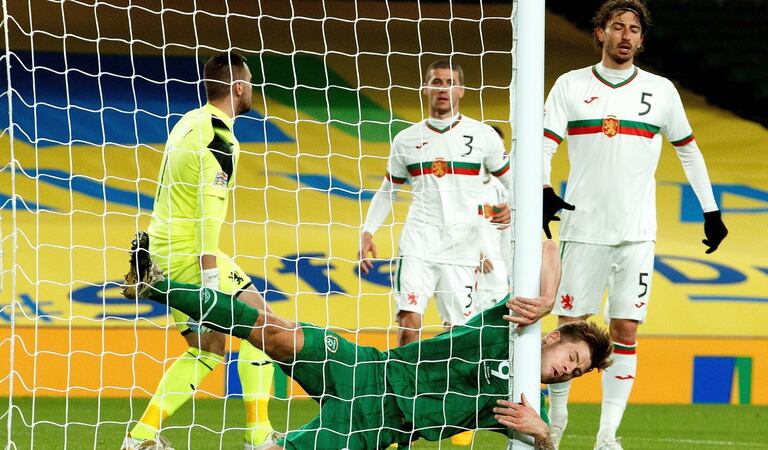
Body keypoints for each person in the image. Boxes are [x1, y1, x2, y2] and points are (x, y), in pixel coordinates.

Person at [123, 233, 613, 450]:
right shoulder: (513, 322)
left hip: (375, 425)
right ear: (554, 337)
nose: (565, 371)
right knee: (278, 334)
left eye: (574, 372)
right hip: (369, 368)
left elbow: (544, 446)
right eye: (570, 357)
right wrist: (548, 295)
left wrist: (544, 436)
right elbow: (546, 245)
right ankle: (157, 283)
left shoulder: (525, 405)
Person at [540, 1, 729, 449]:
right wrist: (543, 190)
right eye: (617, 27)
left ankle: (607, 435)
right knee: (568, 330)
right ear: (600, 32)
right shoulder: (571, 85)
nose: (626, 35)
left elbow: (688, 150)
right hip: (582, 229)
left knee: (625, 330)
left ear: (642, 40)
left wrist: (711, 210)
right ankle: (558, 425)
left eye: (634, 29)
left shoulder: (661, 91)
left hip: (637, 233)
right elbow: (543, 144)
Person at [122, 53, 276, 450]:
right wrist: (209, 279)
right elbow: (209, 214)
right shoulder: (220, 138)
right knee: (265, 325)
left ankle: (141, 437)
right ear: (239, 88)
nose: (253, 88)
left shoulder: (187, 122)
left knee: (208, 348)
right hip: (189, 253)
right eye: (251, 81)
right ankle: (258, 436)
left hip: (161, 250)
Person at [358, 60, 513, 348]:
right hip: (419, 242)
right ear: (425, 88)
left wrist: (512, 207)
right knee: (409, 323)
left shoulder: (483, 136)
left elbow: (512, 181)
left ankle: (446, 391)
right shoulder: (406, 140)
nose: (443, 89)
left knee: (459, 333)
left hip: (463, 247)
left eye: (450, 83)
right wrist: (368, 231)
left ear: (462, 90)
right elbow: (387, 191)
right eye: (437, 82)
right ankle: (401, 390)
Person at [475, 125, 513, 313]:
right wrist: (473, 253)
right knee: (456, 331)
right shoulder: (460, 184)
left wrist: (510, 273)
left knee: (497, 334)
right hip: (466, 269)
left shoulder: (504, 187)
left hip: (496, 276)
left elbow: (507, 236)